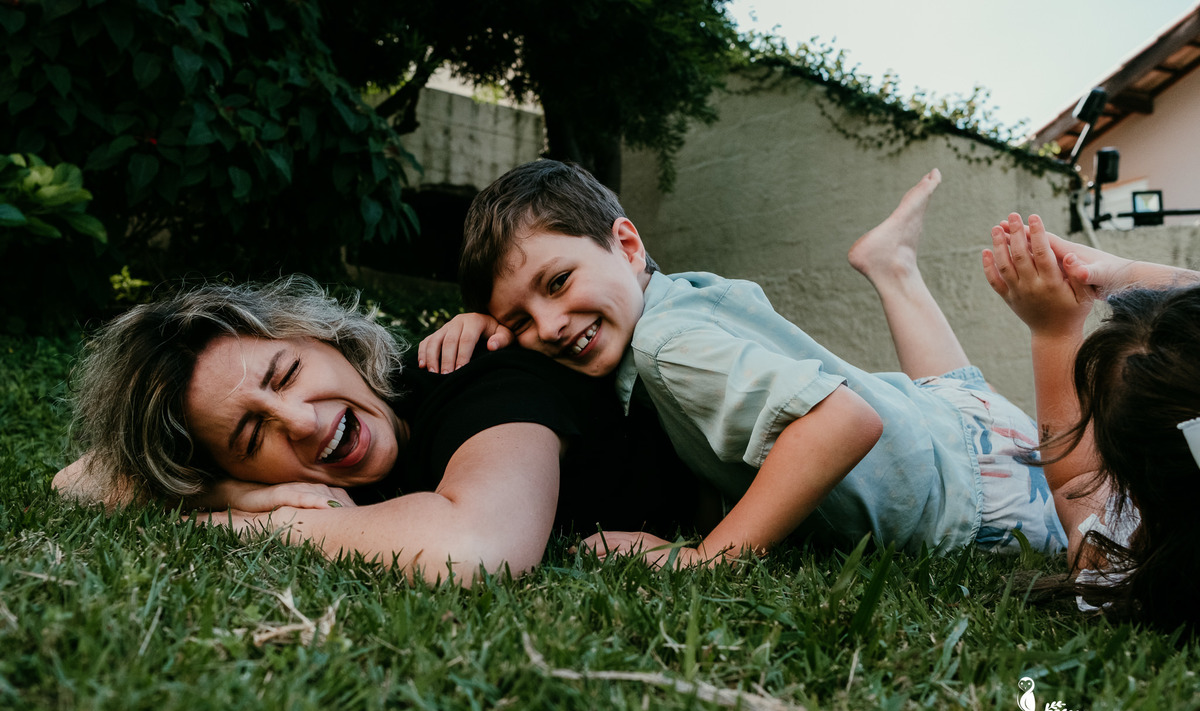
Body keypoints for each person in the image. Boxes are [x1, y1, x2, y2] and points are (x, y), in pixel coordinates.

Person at [421, 160, 1066, 565]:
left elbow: (842, 421)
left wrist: (713, 558)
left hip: (979, 503)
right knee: (949, 393)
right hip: (944, 414)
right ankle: (892, 267)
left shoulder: (664, 346)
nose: (552, 327)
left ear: (625, 243)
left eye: (558, 282)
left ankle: (897, 270)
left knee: (1110, 531)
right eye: (521, 320)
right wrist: (491, 329)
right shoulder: (667, 298)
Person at [53, 276, 704, 584]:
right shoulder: (283, 478)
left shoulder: (485, 381)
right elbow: (77, 480)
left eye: (285, 375)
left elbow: (479, 549)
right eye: (252, 438)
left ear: (326, 340)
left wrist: (260, 522)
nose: (302, 422)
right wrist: (236, 492)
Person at [981, 214, 1200, 632]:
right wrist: (1125, 272)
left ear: (1128, 474)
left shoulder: (1115, 561)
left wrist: (1054, 331)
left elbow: (1077, 479)